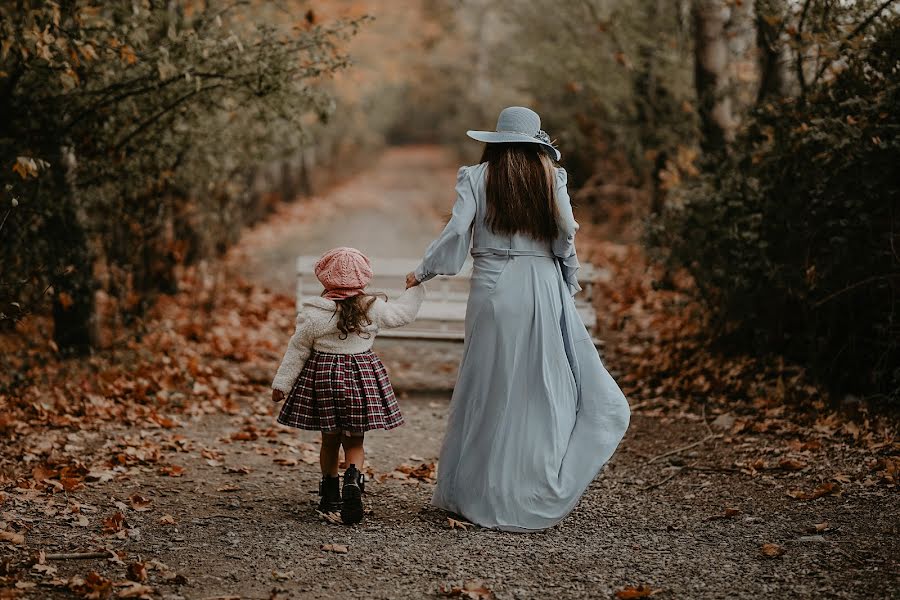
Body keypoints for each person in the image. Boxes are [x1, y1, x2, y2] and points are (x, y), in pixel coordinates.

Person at [406, 106, 630, 531]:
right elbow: (566, 233)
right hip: (542, 286)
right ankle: (528, 483)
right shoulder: (550, 179)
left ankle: (473, 491)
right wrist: (567, 274)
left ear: (495, 141)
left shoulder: (476, 177)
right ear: (536, 143)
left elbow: (456, 234)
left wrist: (424, 271)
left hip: (491, 291)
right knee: (540, 387)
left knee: (488, 387)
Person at [272, 247, 424, 525]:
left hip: (323, 377)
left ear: (324, 279)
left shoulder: (314, 315)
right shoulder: (372, 308)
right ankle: (353, 480)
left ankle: (330, 492)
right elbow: (403, 315)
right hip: (360, 376)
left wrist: (282, 383)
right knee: (355, 439)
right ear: (363, 278)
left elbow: (297, 350)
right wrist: (415, 287)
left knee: (329, 440)